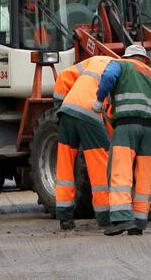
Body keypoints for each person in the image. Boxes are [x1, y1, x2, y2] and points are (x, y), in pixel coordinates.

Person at [93, 44, 151, 236]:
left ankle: (122, 218)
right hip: (149, 129)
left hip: (126, 125)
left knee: (120, 170)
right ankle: (139, 221)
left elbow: (108, 77)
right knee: (145, 174)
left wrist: (99, 100)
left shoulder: (121, 64)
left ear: (127, 56)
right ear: (145, 60)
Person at [52, 55, 113, 231]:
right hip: (90, 113)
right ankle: (105, 216)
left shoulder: (94, 61)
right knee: (101, 164)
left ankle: (64, 217)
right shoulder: (120, 70)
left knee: (65, 165)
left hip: (67, 111)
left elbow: (63, 77)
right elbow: (111, 113)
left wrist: (58, 106)